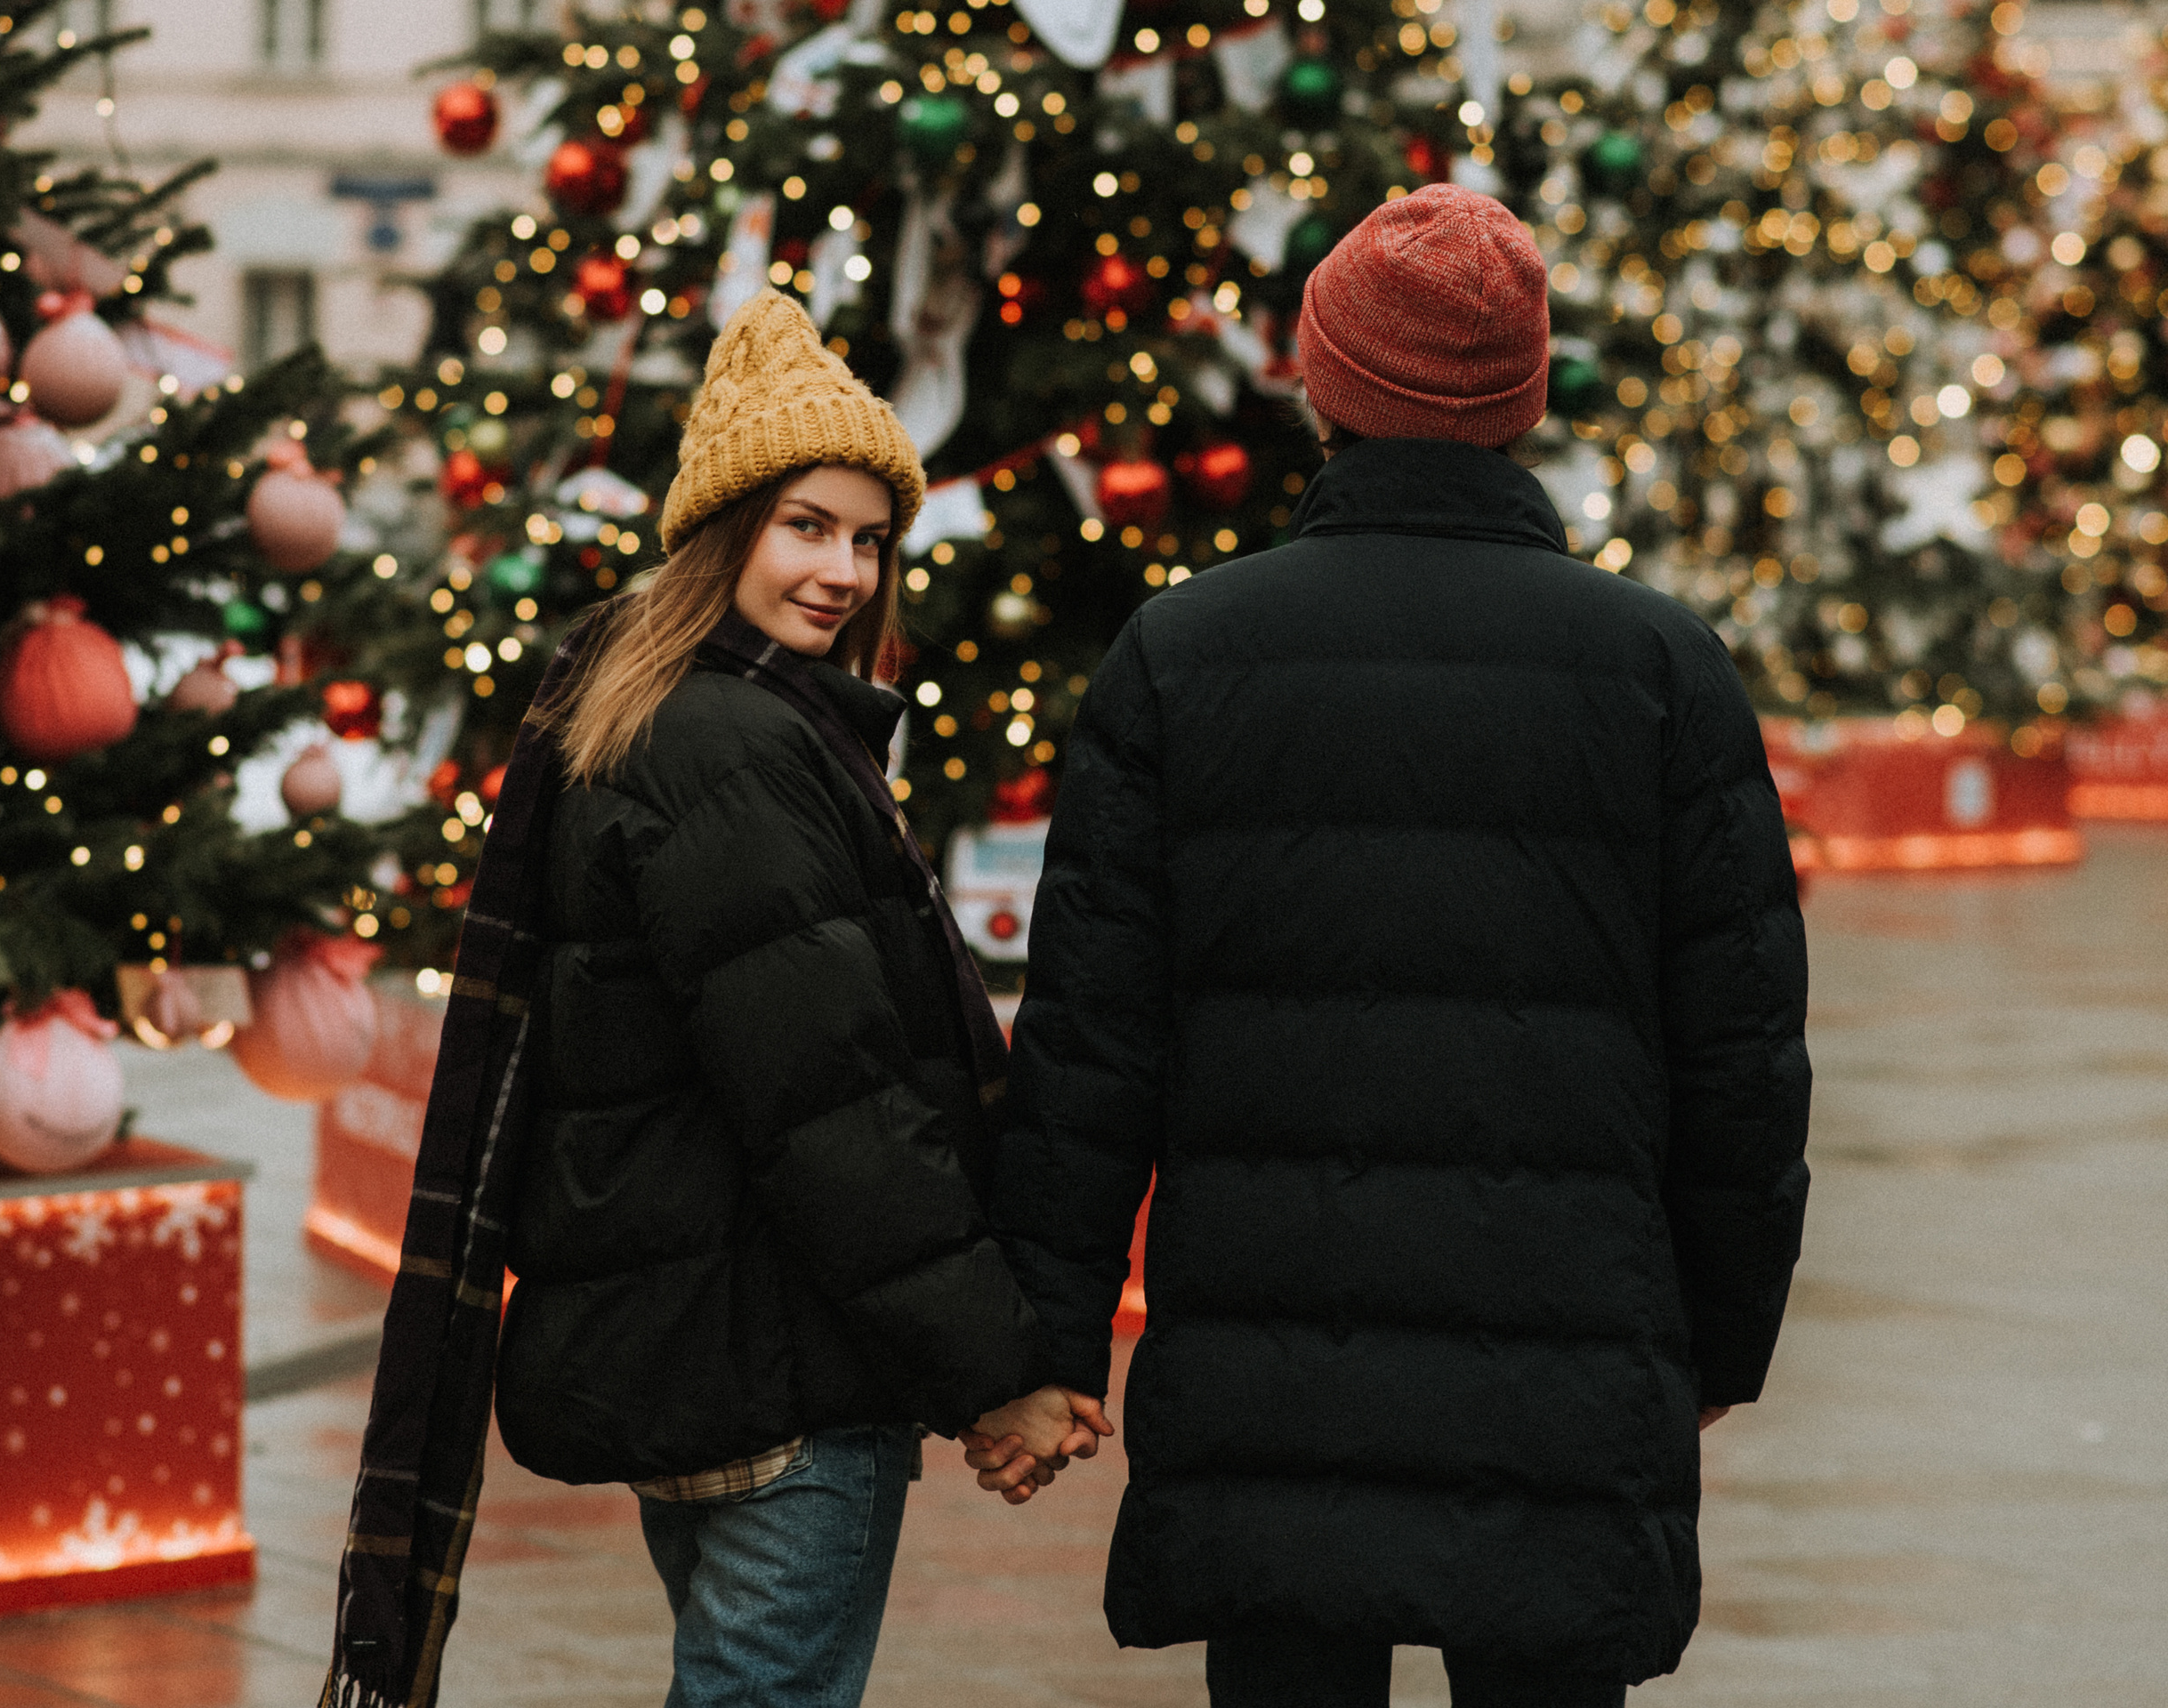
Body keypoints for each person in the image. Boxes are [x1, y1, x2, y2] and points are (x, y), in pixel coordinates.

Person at [968, 185, 1812, 1708]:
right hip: (1563, 1357)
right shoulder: (1659, 669)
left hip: (1270, 1363)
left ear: (1321, 383)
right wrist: (1716, 1341)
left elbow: (1092, 1041)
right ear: (1524, 399)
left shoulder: (1183, 656)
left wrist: (1052, 1343)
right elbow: (1742, 1055)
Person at [319, 290, 1104, 1708]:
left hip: (703, 1351)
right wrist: (995, 1374)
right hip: (780, 1367)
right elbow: (837, 1112)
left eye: (871, 539)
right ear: (721, 529)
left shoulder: (659, 707)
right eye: (807, 525)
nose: (845, 572)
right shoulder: (733, 750)